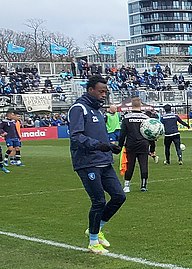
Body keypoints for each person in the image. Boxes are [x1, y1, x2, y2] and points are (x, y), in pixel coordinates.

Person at [67, 75, 126, 254]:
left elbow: (100, 136)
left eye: (105, 92)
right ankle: (93, 242)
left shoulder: (99, 111)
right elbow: (76, 137)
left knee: (119, 197)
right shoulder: (79, 109)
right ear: (90, 90)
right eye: (100, 91)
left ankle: (96, 228)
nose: (103, 94)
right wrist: (100, 145)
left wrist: (109, 147)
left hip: (103, 161)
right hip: (87, 162)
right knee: (99, 201)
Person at [118, 97, 150, 193]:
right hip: (143, 144)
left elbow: (122, 133)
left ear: (131, 105)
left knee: (130, 165)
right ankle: (143, 185)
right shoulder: (146, 118)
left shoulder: (126, 118)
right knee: (143, 164)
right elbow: (150, 133)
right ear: (140, 105)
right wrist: (152, 147)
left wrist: (120, 146)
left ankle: (127, 185)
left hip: (131, 144)